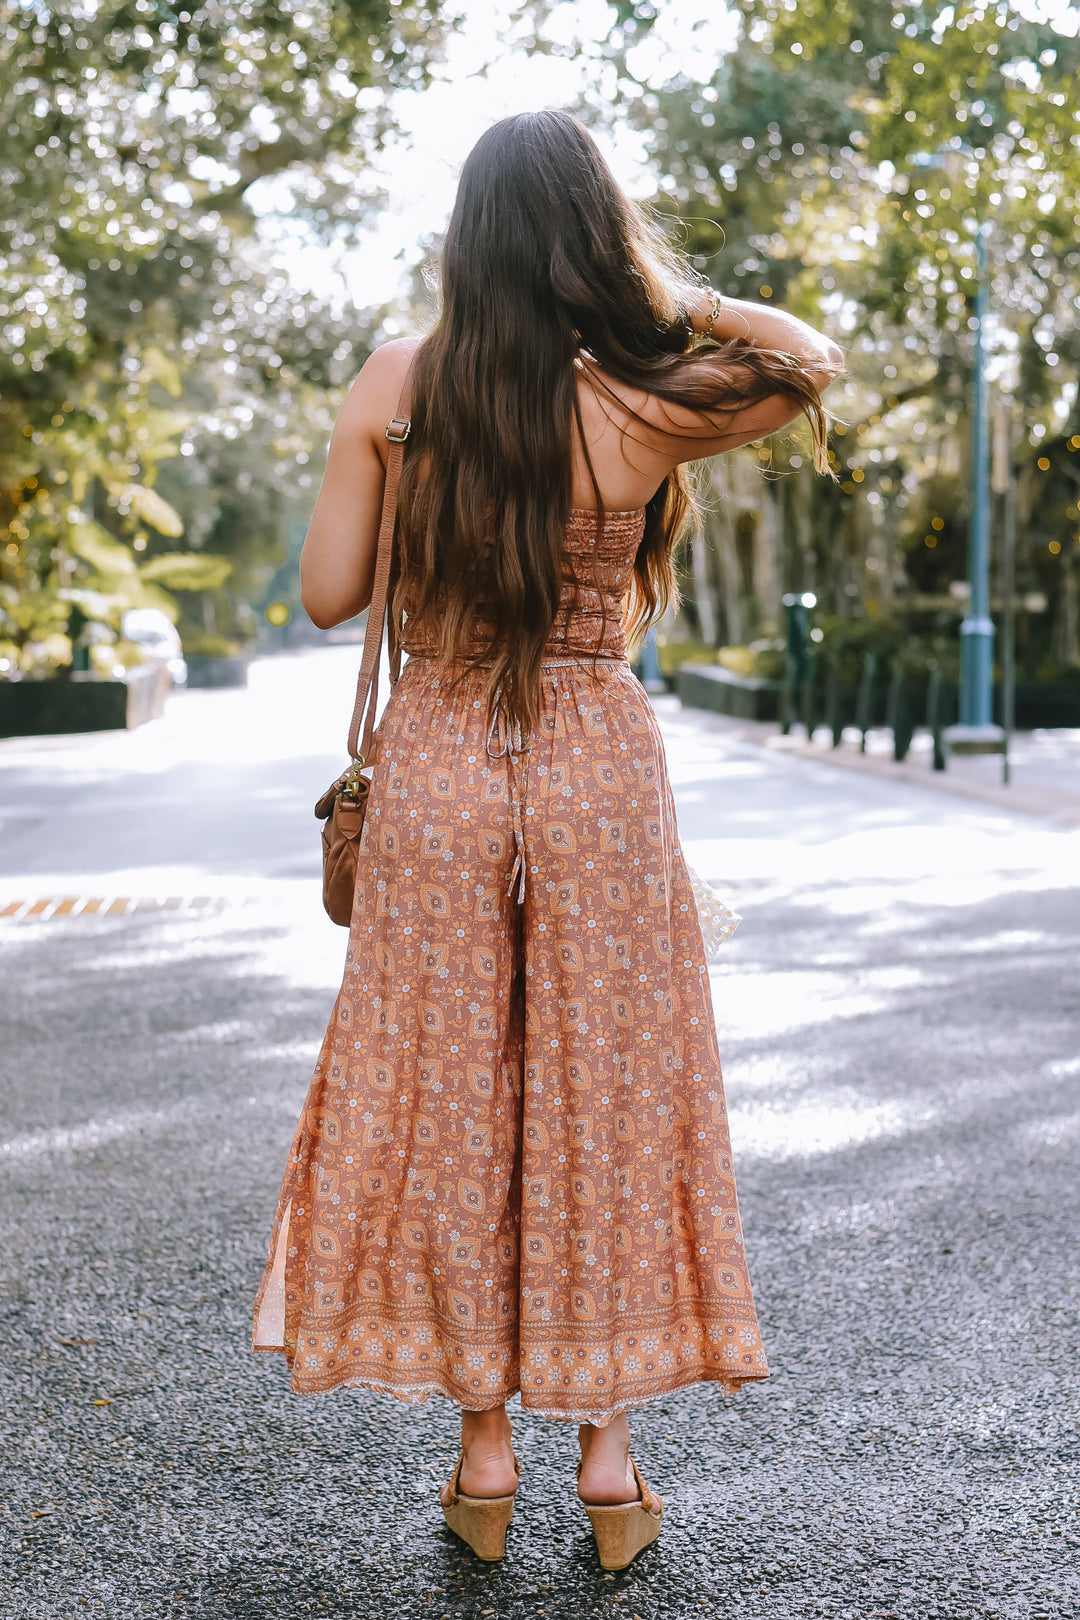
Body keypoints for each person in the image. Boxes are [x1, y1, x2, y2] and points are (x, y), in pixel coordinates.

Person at [253, 109, 842, 1570]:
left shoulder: (402, 384)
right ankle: (610, 1463)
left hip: (444, 758)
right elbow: (808, 358)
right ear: (593, 235)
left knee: (454, 1096)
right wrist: (673, 300)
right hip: (595, 764)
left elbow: (331, 593)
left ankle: (483, 1455)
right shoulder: (646, 395)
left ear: (466, 236)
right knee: (609, 1096)